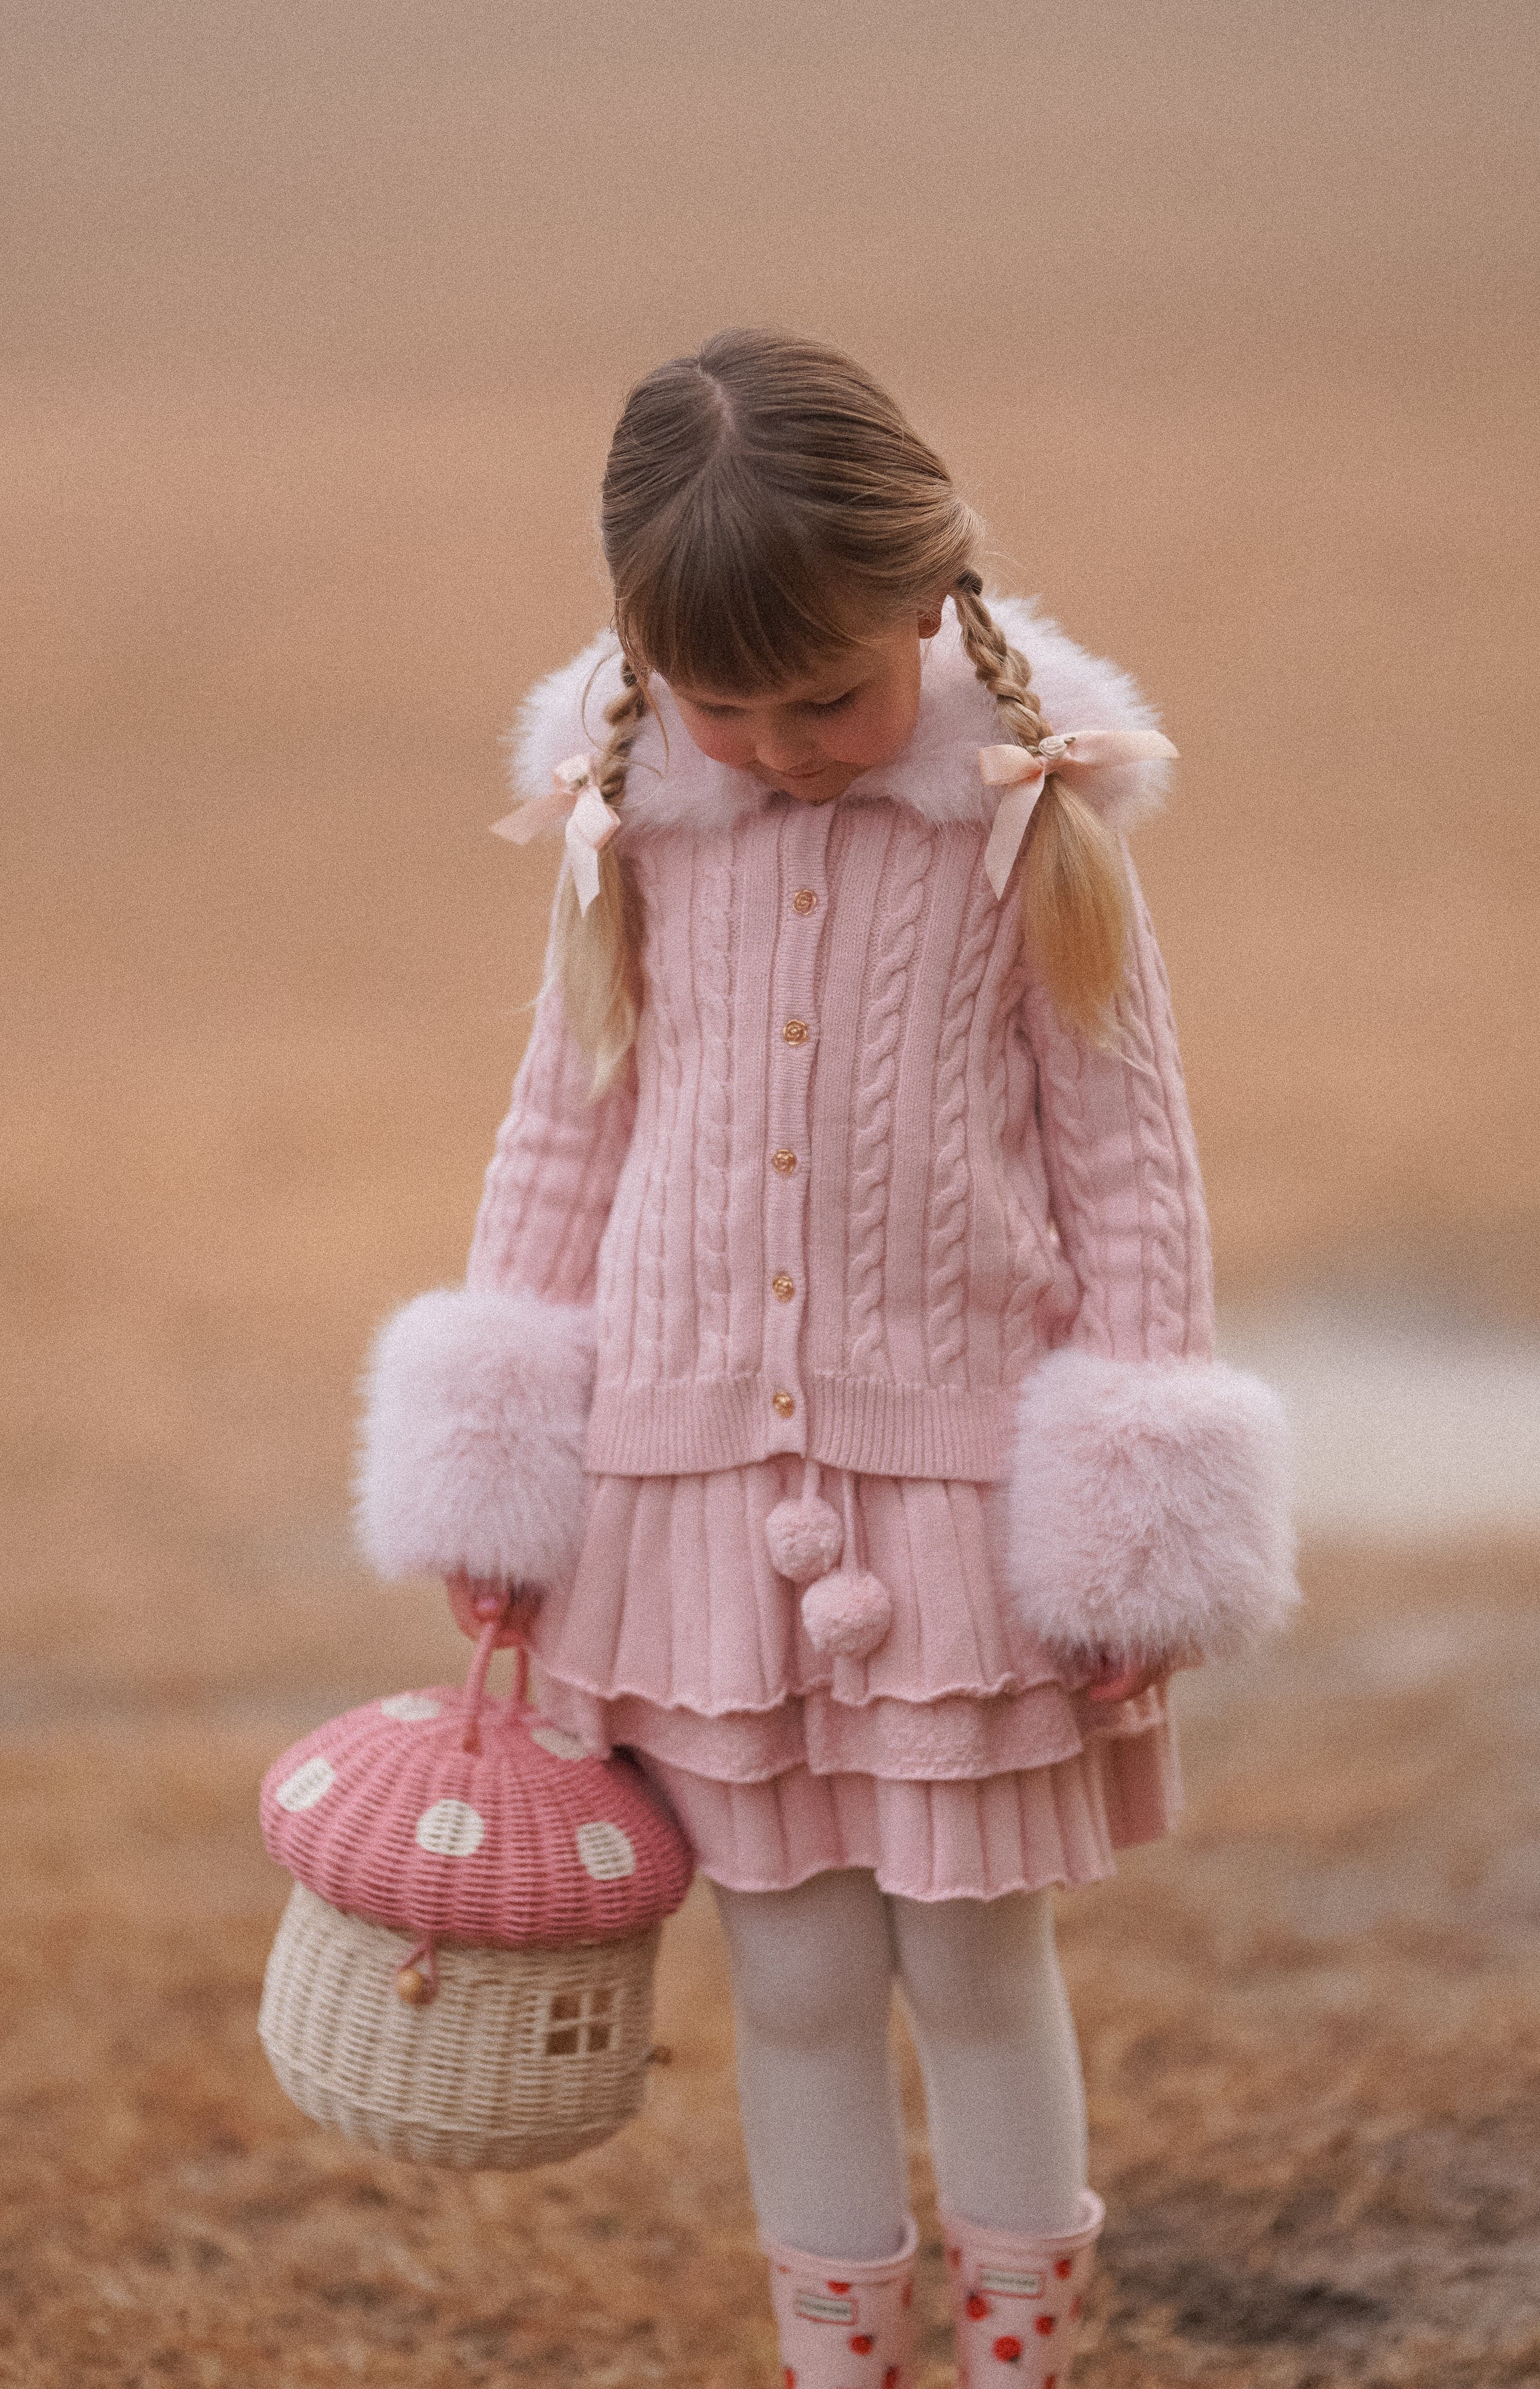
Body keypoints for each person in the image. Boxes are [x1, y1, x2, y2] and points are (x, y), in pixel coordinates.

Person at [355, 329, 1297, 2387]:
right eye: (729, 707)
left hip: (954, 1506)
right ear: (646, 661)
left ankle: (1017, 2364)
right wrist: (497, 1479)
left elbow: (1129, 1167)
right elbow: (561, 1137)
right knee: (788, 1982)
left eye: (831, 698)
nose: (784, 751)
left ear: (931, 603)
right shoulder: (632, 817)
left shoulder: (1025, 816)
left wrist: (1133, 1536)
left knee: (972, 1967)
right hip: (682, 1502)